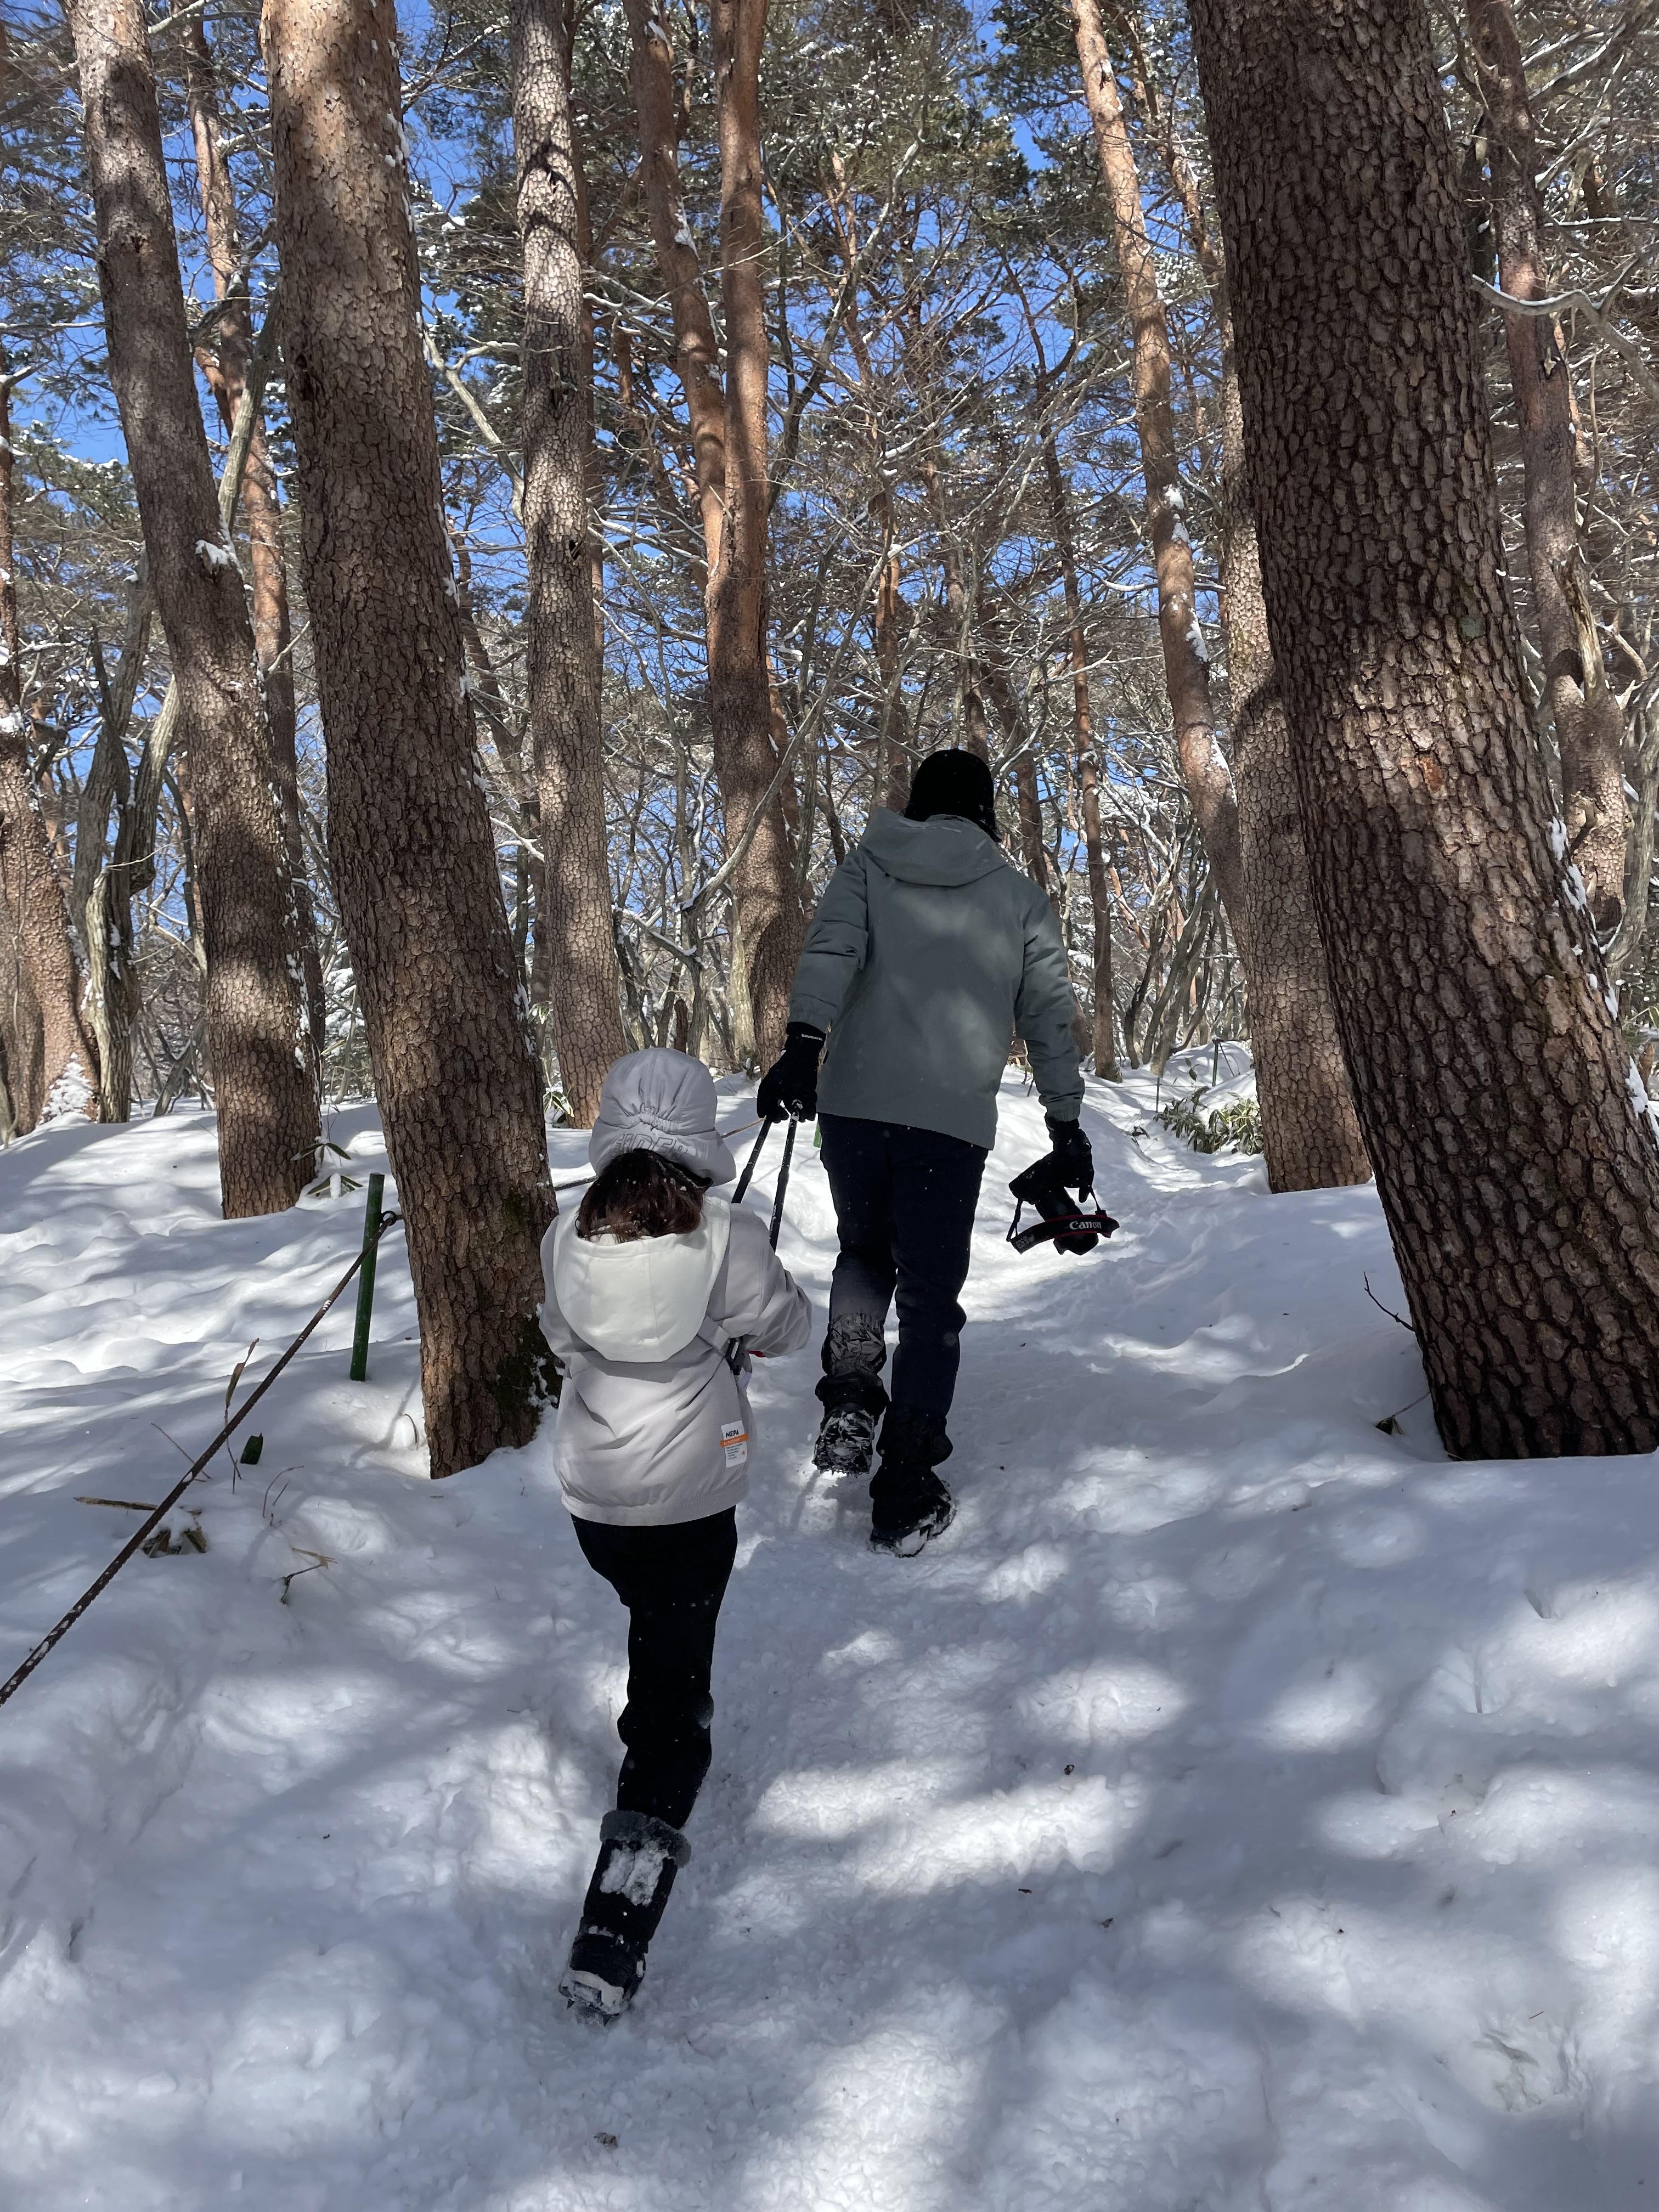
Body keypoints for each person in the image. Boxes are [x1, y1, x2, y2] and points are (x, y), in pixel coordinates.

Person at [757, 747, 1090, 1556]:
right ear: (984, 811)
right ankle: (904, 1482)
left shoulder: (872, 864)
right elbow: (1048, 1013)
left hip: (856, 1107)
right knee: (932, 1294)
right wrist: (1065, 1121)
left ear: (919, 804)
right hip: (947, 1123)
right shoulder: (1017, 897)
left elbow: (830, 952)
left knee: (865, 1253)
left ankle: (850, 1399)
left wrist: (804, 1045)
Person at [539, 1047, 811, 2020]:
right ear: (699, 1137)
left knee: (648, 1608)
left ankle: (660, 1714)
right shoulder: (725, 1235)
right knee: (669, 1686)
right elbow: (787, 1327)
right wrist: (727, 1333)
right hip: (692, 1504)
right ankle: (620, 1912)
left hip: (597, 1505)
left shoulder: (563, 1238)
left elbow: (565, 1340)